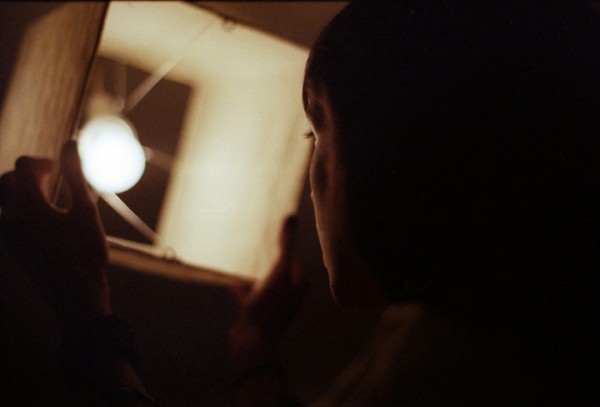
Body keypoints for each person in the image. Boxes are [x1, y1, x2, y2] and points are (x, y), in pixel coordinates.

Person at [0, 1, 599, 405]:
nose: (310, 169)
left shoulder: (453, 373)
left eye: (316, 132)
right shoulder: (471, 335)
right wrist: (254, 347)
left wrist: (84, 312)